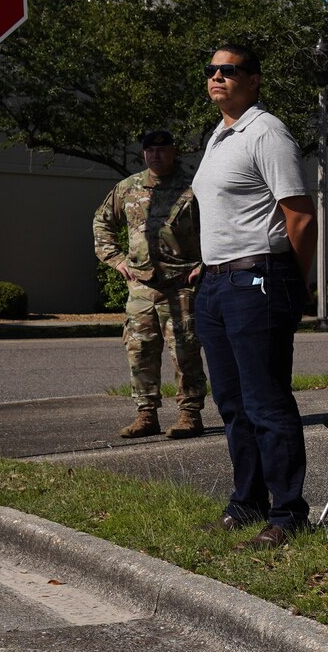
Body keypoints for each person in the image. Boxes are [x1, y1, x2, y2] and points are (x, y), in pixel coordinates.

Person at [193, 44, 316, 548]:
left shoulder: (265, 132)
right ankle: (247, 502)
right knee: (231, 403)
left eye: (230, 70)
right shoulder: (219, 136)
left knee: (266, 403)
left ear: (254, 80)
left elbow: (300, 215)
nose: (218, 77)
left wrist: (293, 282)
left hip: (259, 279)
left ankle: (288, 513)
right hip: (216, 284)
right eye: (212, 71)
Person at [92, 128, 205, 440]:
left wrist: (204, 263)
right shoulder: (128, 188)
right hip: (141, 285)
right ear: (144, 153)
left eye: (162, 149)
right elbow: (103, 222)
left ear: (173, 151)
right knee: (139, 349)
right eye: (150, 150)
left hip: (180, 283)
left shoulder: (194, 188)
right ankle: (146, 415)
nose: (156, 155)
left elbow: (220, 225)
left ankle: (190, 414)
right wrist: (115, 259)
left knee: (185, 350)